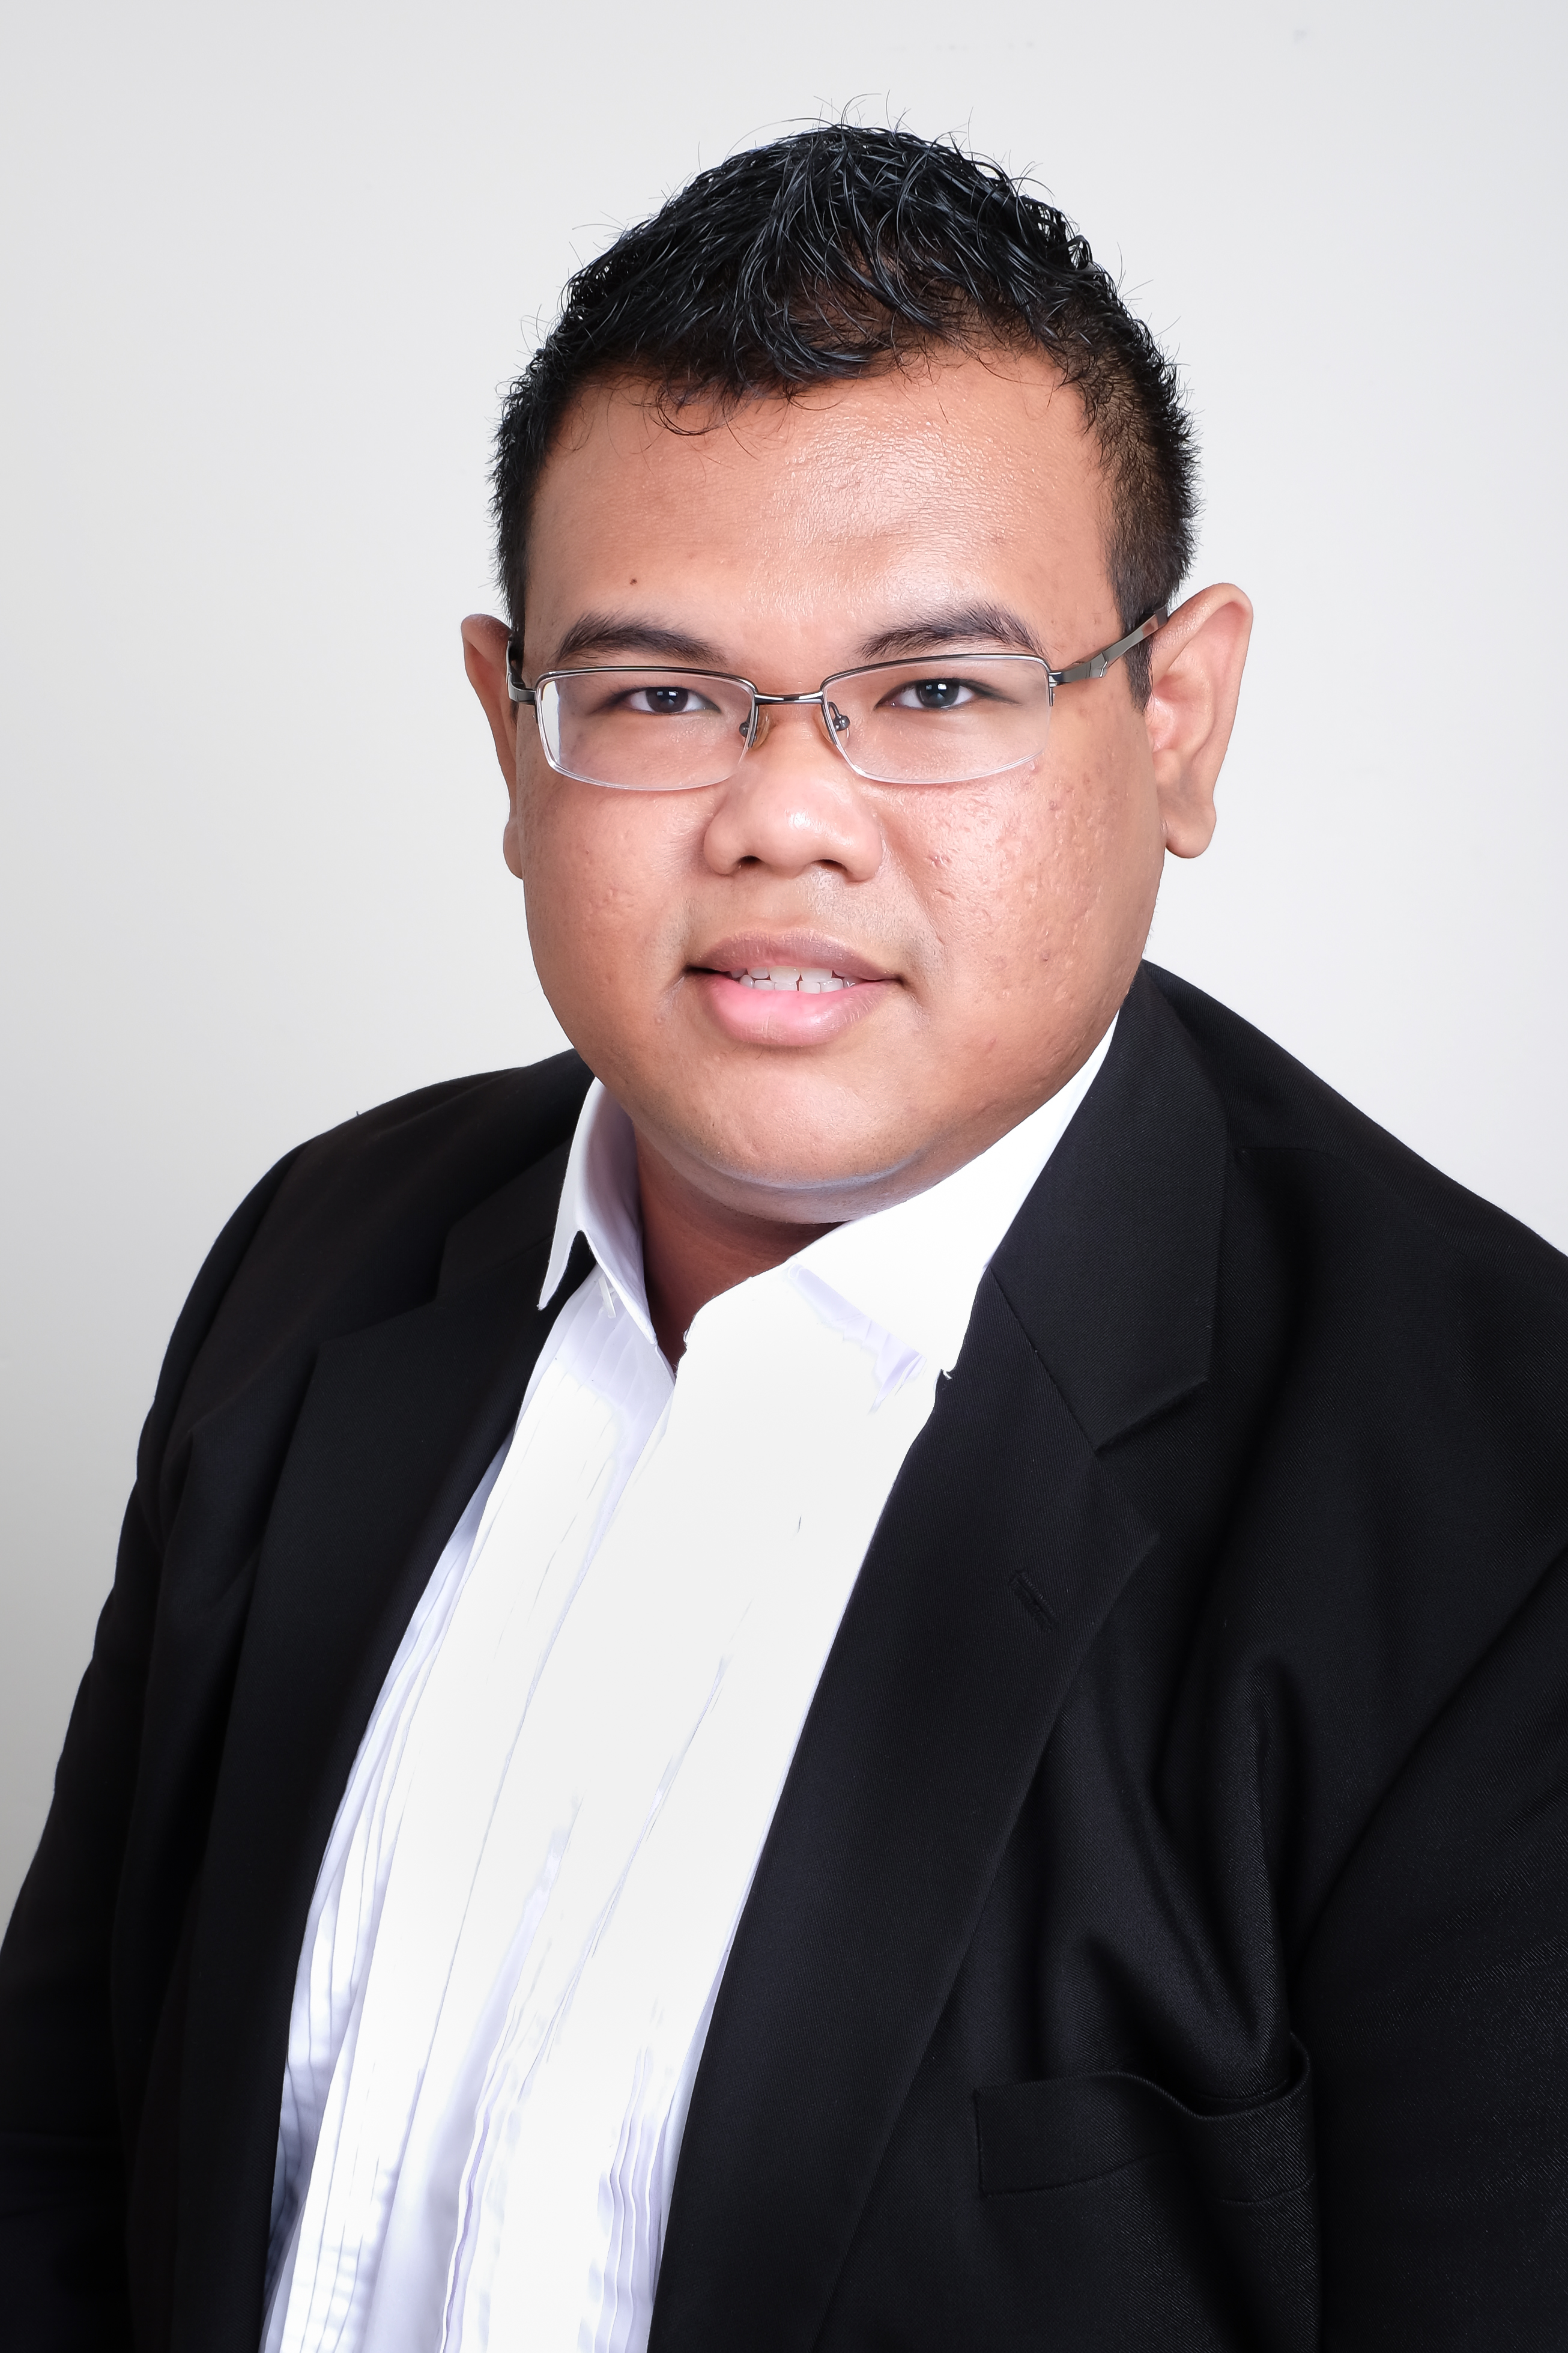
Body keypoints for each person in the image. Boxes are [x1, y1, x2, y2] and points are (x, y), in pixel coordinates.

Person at [3, 122, 1566, 2353]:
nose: (785, 818)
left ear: (1176, 722)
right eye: (658, 696)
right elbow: (59, 2163)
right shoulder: (319, 1258)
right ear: (514, 737)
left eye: (934, 691)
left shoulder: (1497, 1506)